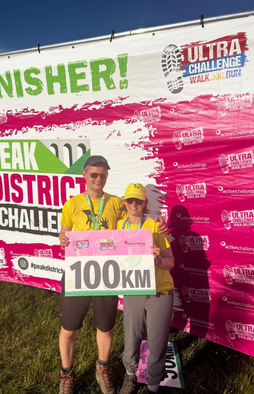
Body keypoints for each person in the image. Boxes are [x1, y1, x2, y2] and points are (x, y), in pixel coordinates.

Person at [58, 156, 168, 394]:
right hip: (79, 273)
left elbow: (136, 217)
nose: (99, 178)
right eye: (94, 174)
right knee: (68, 328)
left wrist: (158, 222)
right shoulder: (72, 204)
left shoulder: (117, 202)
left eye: (103, 175)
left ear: (107, 176)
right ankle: (66, 375)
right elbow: (64, 237)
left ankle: (103, 369)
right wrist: (62, 239)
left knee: (106, 328)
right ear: (84, 175)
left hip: (107, 274)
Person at [118, 183, 174, 394]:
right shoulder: (118, 227)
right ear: (124, 202)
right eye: (130, 200)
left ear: (145, 203)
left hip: (159, 291)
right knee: (131, 339)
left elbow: (171, 262)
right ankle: (130, 375)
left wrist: (158, 261)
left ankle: (153, 384)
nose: (134, 204)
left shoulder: (155, 226)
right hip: (134, 289)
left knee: (157, 341)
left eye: (138, 201)